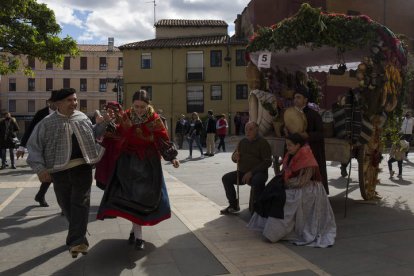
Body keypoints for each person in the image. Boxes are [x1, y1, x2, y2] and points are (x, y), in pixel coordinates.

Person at [26, 88, 108, 258]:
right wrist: (40, 169)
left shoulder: (82, 117)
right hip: (59, 171)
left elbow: (91, 135)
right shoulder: (46, 123)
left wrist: (101, 125)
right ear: (58, 103)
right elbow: (33, 147)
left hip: (83, 167)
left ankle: (76, 242)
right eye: (69, 100)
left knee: (81, 202)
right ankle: (78, 237)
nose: (74, 103)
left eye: (75, 100)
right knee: (66, 205)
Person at [96, 90, 179, 251]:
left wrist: (172, 157)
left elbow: (162, 139)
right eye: (136, 106)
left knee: (143, 199)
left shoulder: (155, 120)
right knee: (130, 199)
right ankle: (138, 237)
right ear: (132, 104)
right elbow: (116, 134)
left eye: (142, 106)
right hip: (127, 163)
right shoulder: (126, 116)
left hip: (148, 164)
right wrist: (106, 124)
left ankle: (135, 232)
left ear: (148, 105)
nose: (139, 109)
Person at [248, 133, 336, 247]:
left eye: (290, 145)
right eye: (287, 145)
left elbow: (303, 180)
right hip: (293, 183)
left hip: (308, 187)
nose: (287, 148)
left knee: (286, 198)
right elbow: (285, 172)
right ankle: (270, 229)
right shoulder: (291, 154)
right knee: (272, 192)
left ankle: (275, 232)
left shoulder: (306, 157)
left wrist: (286, 183)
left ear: (298, 145)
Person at [16, 90, 58, 207]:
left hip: (58, 148)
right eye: (55, 102)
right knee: (55, 176)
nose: (58, 105)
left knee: (55, 175)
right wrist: (21, 147)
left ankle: (40, 195)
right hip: (43, 149)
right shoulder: (41, 113)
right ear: (50, 102)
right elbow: (30, 130)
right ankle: (63, 205)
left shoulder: (62, 112)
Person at [220, 121, 272, 214]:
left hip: (258, 173)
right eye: (246, 129)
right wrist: (234, 157)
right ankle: (233, 205)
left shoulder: (263, 142)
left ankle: (257, 209)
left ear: (257, 130)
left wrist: (251, 172)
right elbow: (234, 158)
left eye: (251, 129)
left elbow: (267, 162)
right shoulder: (242, 142)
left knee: (257, 181)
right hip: (242, 173)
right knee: (226, 178)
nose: (248, 132)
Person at [290, 86, 328, 194]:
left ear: (305, 100)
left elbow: (321, 133)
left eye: (298, 97)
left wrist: (307, 135)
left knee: (311, 184)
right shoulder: (291, 114)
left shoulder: (314, 115)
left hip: (311, 153)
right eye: (294, 98)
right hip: (296, 153)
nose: (295, 100)